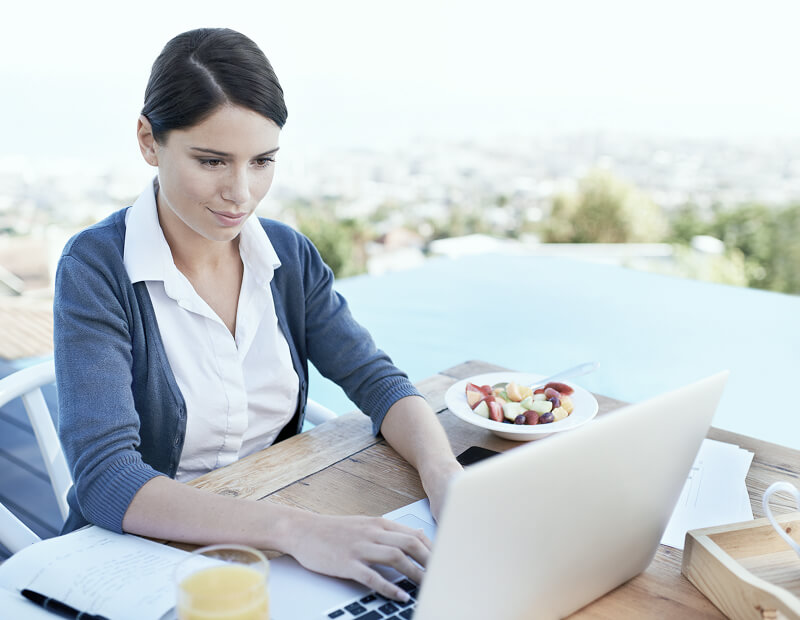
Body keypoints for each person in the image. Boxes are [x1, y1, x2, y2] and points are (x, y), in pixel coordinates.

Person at [53, 27, 462, 603]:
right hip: (141, 559)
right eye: (212, 161)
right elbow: (106, 479)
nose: (240, 193)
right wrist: (299, 532)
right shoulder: (96, 268)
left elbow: (377, 381)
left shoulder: (287, 256)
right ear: (149, 140)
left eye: (262, 162)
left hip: (271, 541)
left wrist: (443, 473)